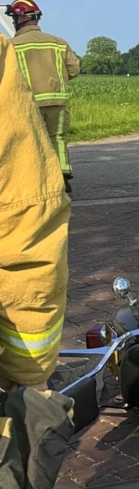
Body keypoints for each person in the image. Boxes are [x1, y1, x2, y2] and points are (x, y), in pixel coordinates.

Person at [0, 32, 71, 390]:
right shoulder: (54, 42)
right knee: (55, 141)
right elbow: (24, 221)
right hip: (49, 101)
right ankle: (63, 172)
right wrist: (31, 377)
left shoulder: (15, 43)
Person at [4, 0, 80, 192]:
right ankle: (62, 175)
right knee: (58, 138)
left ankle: (37, 181)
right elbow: (73, 69)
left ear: (20, 18)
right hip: (58, 101)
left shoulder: (10, 46)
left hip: (27, 104)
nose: (12, 21)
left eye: (13, 17)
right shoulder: (59, 43)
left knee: (30, 140)